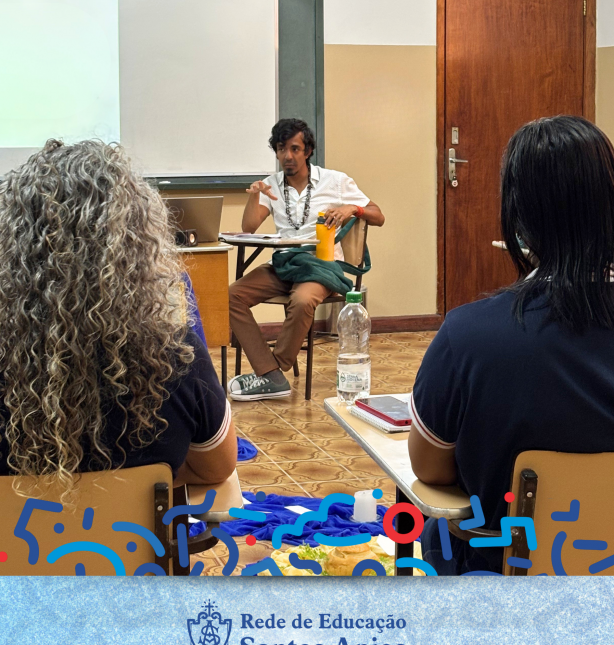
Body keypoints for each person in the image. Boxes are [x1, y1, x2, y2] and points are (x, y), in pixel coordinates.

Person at [409, 116, 614, 575]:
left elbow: (430, 469)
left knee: (436, 528)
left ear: (518, 218)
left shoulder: (468, 335)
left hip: (506, 579)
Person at [0, 139, 237, 494]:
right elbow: (216, 469)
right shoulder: (177, 356)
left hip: (15, 533)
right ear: (138, 245)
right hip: (136, 534)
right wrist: (137, 486)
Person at [228, 118, 385, 400]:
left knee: (302, 300)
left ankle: (273, 371)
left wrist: (352, 209)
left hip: (320, 266)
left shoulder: (335, 181)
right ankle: (271, 374)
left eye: (295, 149)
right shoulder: (271, 185)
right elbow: (249, 228)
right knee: (231, 296)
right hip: (285, 264)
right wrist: (254, 197)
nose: (288, 156)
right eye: (281, 149)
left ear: (308, 151)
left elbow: (378, 215)